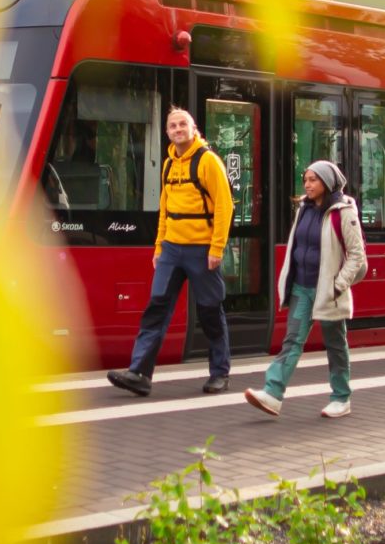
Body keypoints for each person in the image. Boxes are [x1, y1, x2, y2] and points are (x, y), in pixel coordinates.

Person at [106, 107, 235, 396]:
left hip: (202, 250)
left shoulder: (208, 161)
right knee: (156, 308)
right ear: (167, 132)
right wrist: (159, 247)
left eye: (182, 125)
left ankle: (220, 373)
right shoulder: (168, 164)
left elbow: (225, 207)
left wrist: (217, 248)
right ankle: (139, 373)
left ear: (193, 128)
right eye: (173, 126)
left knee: (210, 310)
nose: (178, 129)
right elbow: (165, 209)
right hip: (171, 251)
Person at [244, 160, 367, 419]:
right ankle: (272, 393)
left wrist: (337, 286)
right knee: (292, 341)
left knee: (335, 344)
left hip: (328, 291)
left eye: (313, 180)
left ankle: (341, 397)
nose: (308, 185)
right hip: (302, 287)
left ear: (327, 183)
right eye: (306, 179)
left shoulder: (343, 212)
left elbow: (357, 256)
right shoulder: (304, 209)